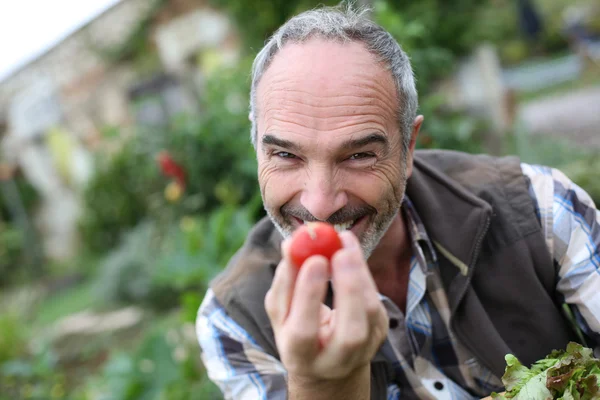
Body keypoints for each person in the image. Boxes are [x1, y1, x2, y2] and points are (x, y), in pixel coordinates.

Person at [196, 4, 600, 399]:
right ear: (257, 151)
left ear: (408, 148)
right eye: (286, 155)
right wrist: (322, 386)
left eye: (359, 155)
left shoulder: (542, 208)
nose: (320, 204)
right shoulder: (234, 322)